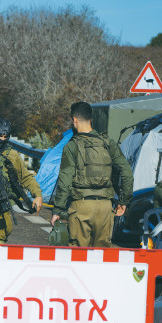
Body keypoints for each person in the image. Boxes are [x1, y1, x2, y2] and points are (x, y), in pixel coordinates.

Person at [50, 101, 134, 247]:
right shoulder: (108, 143)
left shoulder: (71, 146)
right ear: (91, 119)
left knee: (78, 256)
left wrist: (57, 210)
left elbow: (65, 180)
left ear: (74, 119)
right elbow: (126, 172)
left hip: (80, 206)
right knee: (102, 256)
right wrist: (123, 201)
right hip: (106, 207)